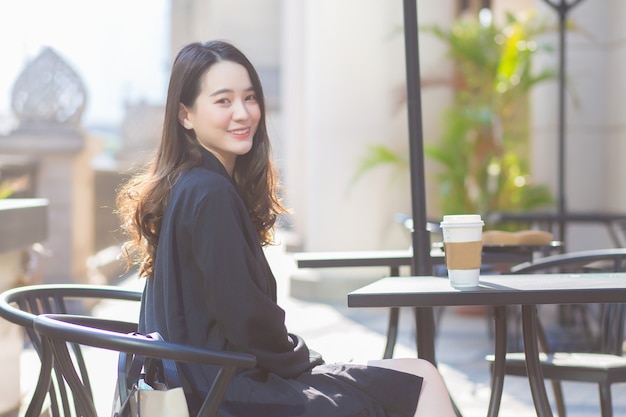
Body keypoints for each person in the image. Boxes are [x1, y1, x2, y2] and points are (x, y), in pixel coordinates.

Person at [116, 40, 456, 417]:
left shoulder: (184, 185)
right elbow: (247, 318)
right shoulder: (211, 194)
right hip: (229, 397)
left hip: (202, 389)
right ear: (185, 115)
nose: (243, 113)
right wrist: (302, 358)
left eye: (249, 98)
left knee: (416, 374)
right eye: (223, 101)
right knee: (422, 379)